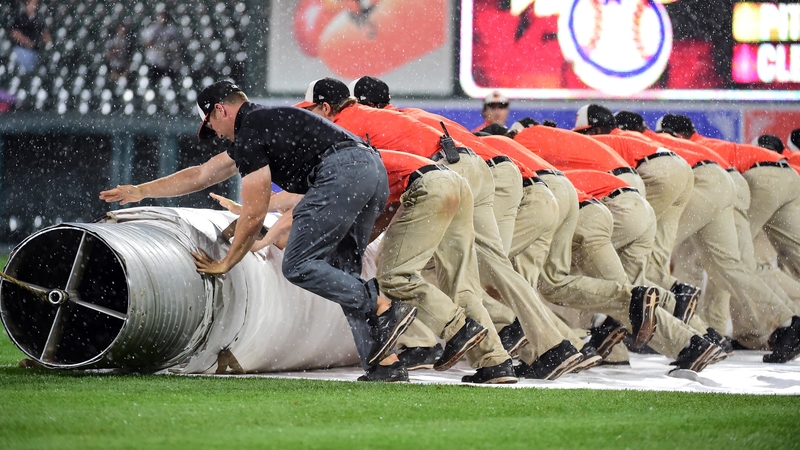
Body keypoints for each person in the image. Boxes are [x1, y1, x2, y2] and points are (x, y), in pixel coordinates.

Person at [100, 80, 418, 381]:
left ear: (220, 110)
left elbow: (254, 213)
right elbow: (201, 174)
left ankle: (383, 306)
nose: (216, 134)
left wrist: (227, 262)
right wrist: (141, 191)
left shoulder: (250, 131)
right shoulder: (265, 123)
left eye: (211, 125)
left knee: (298, 265)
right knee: (343, 276)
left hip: (343, 173)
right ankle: (385, 364)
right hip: (372, 171)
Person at [655, 114, 800, 363]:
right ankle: (781, 322)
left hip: (751, 178)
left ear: (675, 135)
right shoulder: (708, 145)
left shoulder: (684, 148)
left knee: (730, 263)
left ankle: (720, 330)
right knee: (744, 262)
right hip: (786, 176)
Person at [141, 11, 183, 86]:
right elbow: (147, 43)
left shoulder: (171, 30)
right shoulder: (153, 28)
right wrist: (156, 45)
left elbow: (176, 45)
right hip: (153, 60)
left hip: (166, 61)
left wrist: (167, 49)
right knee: (152, 81)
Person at [10, 0, 51, 75]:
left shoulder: (39, 18)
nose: (32, 6)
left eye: (34, 4)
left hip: (34, 52)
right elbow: (15, 33)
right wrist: (27, 42)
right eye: (31, 4)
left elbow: (45, 32)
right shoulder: (21, 17)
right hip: (21, 50)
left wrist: (48, 44)